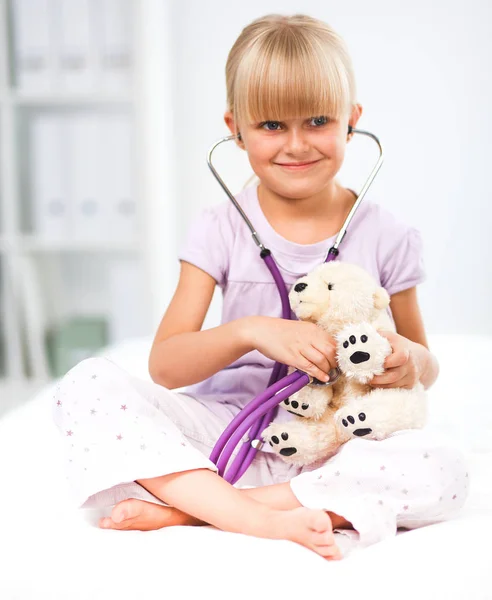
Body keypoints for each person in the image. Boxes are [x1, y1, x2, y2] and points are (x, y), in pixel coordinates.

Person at [53, 13, 468, 560]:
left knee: (444, 466)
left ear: (351, 120)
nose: (296, 145)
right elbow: (166, 366)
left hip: (337, 434)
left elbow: (426, 366)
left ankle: (194, 509)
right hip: (226, 429)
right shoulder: (219, 228)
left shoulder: (387, 236)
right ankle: (253, 514)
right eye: (271, 126)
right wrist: (250, 332)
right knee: (86, 385)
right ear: (236, 128)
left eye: (317, 120)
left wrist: (407, 361)